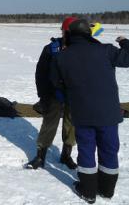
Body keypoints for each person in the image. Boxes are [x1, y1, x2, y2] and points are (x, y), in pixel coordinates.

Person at [51, 19, 129, 203]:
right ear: (88, 33)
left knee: (86, 150)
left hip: (82, 113)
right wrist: (125, 42)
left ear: (70, 34)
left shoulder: (62, 56)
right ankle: (107, 190)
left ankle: (88, 191)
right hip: (108, 113)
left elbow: (56, 82)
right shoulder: (106, 50)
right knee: (109, 149)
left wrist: (69, 95)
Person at [25, 17, 78, 170]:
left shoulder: (82, 49)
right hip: (53, 95)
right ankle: (40, 156)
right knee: (49, 125)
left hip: (74, 95)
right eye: (65, 31)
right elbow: (40, 73)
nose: (67, 34)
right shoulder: (51, 48)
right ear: (62, 31)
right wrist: (42, 95)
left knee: (71, 125)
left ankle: (66, 155)